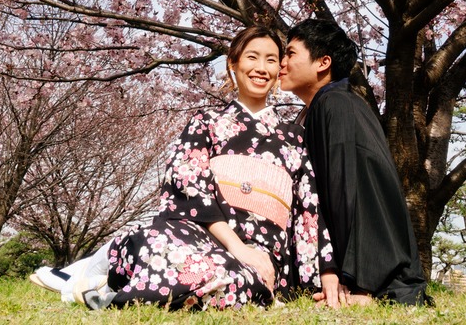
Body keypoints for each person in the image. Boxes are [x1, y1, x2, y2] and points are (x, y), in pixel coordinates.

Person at [31, 26, 331, 310]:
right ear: (233, 64)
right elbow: (189, 186)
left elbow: (308, 210)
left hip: (261, 253)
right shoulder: (206, 123)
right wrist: (237, 247)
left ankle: (105, 294)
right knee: (158, 242)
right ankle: (98, 279)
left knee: (236, 280)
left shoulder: (295, 137)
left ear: (279, 69)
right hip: (203, 238)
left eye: (271, 60)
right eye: (252, 57)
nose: (261, 68)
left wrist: (323, 275)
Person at [279, 18, 428, 307]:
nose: (281, 63)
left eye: (291, 53)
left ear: (323, 62)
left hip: (374, 275)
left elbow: (349, 192)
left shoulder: (335, 104)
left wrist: (355, 281)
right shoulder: (328, 105)